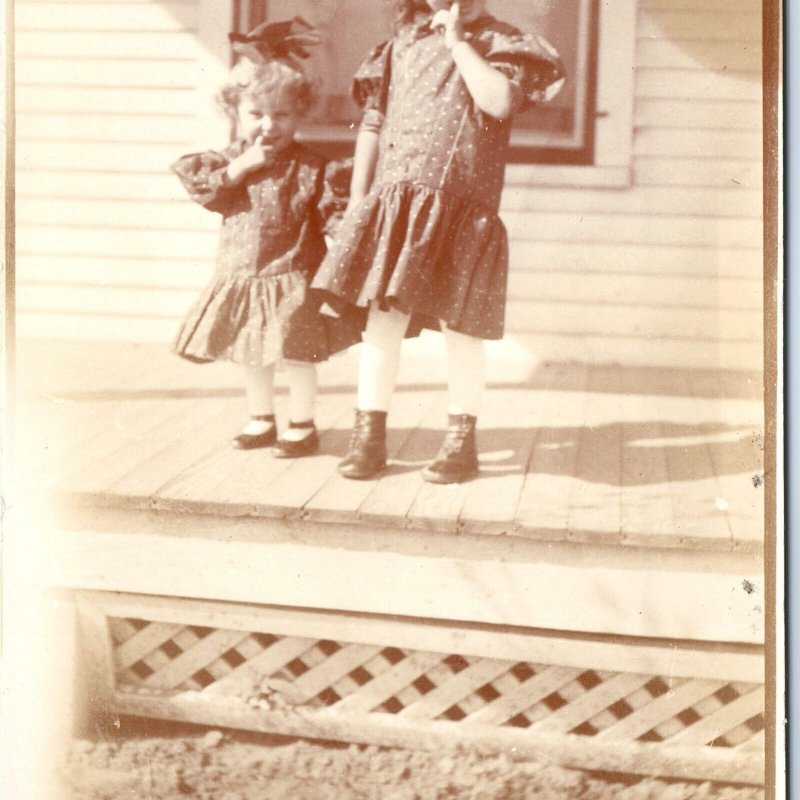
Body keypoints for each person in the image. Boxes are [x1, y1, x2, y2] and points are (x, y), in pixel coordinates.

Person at [312, 0, 565, 483]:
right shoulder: (402, 43)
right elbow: (373, 122)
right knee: (382, 321)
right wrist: (359, 201)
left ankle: (460, 443)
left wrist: (458, 45)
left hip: (463, 211)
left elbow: (498, 102)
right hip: (397, 204)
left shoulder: (501, 43)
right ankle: (369, 437)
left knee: (461, 327)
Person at [171, 19, 358, 458]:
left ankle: (302, 423)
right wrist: (243, 166)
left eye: (283, 114)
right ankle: (260, 417)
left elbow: (334, 219)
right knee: (251, 352)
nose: (269, 125)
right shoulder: (228, 161)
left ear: (301, 114)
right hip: (243, 276)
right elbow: (208, 191)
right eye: (257, 114)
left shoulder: (312, 166)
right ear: (235, 113)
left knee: (297, 354)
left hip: (294, 276)